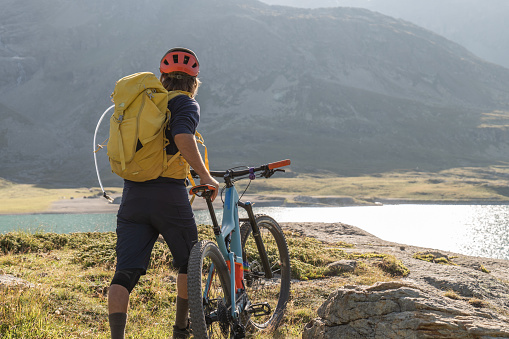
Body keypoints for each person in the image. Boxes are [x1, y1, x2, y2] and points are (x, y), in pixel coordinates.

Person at [107, 47, 219, 339]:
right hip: (168, 196)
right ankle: (181, 330)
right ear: (194, 83)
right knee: (188, 262)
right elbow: (182, 136)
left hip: (132, 196)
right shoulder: (185, 103)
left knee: (125, 273)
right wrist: (205, 177)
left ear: (162, 78)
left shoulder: (144, 104)